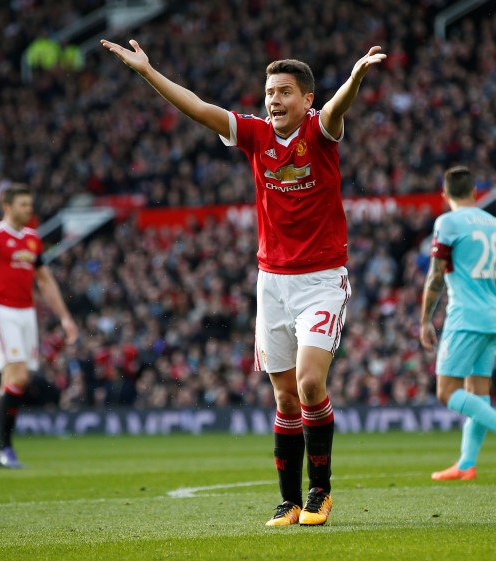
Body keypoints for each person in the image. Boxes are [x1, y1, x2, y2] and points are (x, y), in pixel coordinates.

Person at [101, 37, 386, 525]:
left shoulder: (320, 131)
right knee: (283, 397)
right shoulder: (254, 135)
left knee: (310, 381)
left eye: (284, 92)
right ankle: (289, 500)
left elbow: (340, 107)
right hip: (271, 283)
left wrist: (356, 75)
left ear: (306, 100)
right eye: (269, 91)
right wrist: (148, 72)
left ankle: (321, 490)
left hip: (321, 280)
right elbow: (198, 108)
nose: (273, 100)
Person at [419, 166, 496, 481]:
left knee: (446, 391)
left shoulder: (448, 222)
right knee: (478, 392)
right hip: (492, 316)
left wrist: (425, 320)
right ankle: (467, 463)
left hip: (464, 316)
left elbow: (436, 275)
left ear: (445, 195)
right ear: (474, 192)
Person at [0, 183, 78, 468]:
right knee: (18, 377)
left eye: (30, 204)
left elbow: (45, 281)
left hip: (26, 313)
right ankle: (4, 449)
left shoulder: (32, 238)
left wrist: (65, 317)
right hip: (0, 310)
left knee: (15, 379)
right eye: (23, 204)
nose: (29, 209)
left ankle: (0, 453)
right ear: (7, 207)